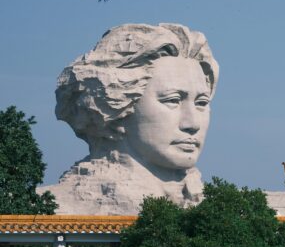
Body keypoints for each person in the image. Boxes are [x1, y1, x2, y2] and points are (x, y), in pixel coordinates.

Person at [40, 23, 219, 215]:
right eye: (172, 100)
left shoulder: (224, 210)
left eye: (201, 103)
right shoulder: (49, 209)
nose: (192, 124)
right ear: (117, 107)